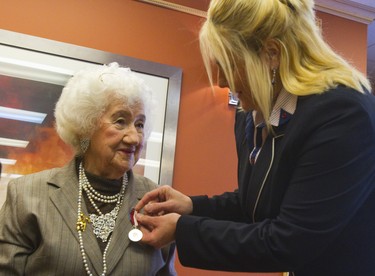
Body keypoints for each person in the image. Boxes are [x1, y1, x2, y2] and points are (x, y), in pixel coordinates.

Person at [134, 0, 375, 275]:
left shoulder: (342, 114)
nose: (222, 81)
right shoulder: (254, 116)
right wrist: (192, 207)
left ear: (271, 54)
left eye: (228, 66)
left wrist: (182, 230)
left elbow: (288, 242)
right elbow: (255, 202)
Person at [0, 63, 176, 275]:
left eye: (139, 124)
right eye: (120, 121)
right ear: (86, 126)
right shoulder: (27, 195)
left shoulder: (156, 204)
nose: (134, 137)